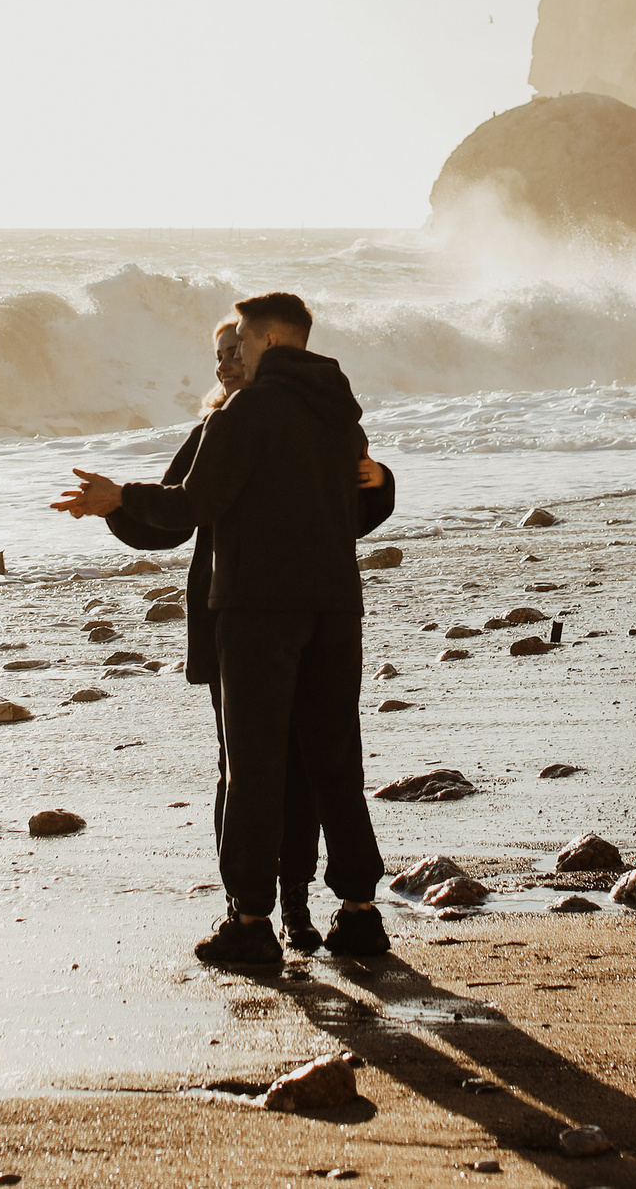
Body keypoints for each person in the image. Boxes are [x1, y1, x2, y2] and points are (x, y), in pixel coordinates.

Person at [52, 291, 391, 963]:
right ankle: (359, 914)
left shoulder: (245, 413)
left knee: (251, 768)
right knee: (334, 763)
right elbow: (351, 515)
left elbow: (192, 505)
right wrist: (382, 486)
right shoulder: (339, 415)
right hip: (333, 609)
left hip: (258, 612)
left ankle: (251, 922)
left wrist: (118, 498)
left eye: (241, 342)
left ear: (268, 341)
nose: (232, 357)